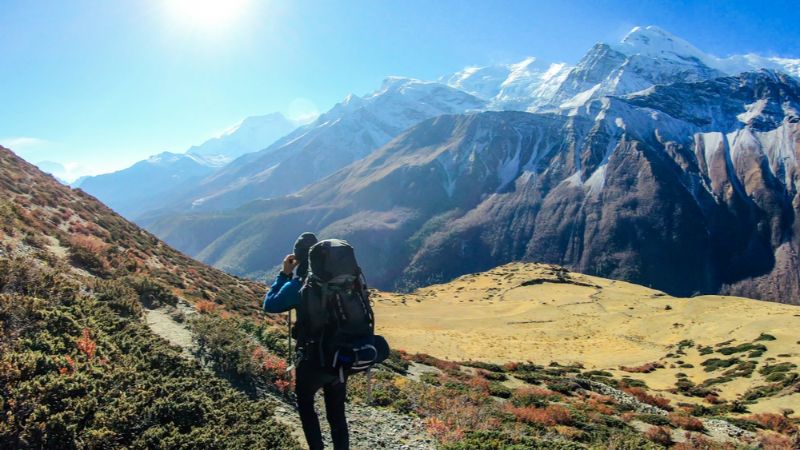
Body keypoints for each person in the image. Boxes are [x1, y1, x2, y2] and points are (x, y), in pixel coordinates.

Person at [263, 232, 350, 450]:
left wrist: (284, 274)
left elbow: (270, 304)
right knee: (337, 414)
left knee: (305, 404)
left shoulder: (298, 286)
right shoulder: (339, 281)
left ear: (299, 258)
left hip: (311, 360)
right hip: (340, 356)